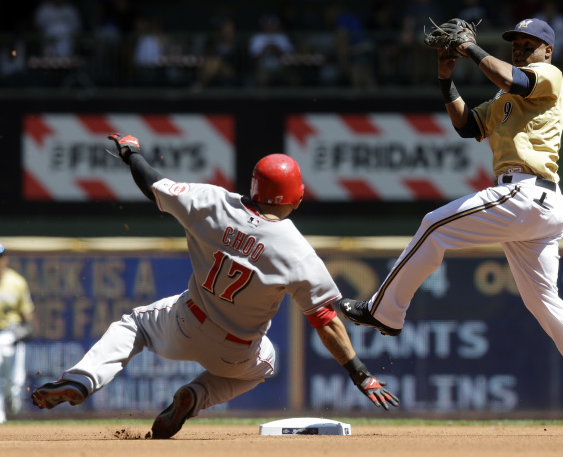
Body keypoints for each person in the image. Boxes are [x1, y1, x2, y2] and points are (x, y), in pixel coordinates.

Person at [340, 18, 563, 434]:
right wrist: (445, 76)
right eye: (517, 43)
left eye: (531, 44)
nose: (522, 48)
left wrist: (471, 49)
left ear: (547, 50)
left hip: (527, 192)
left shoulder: (547, 76)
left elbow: (513, 78)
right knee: (543, 302)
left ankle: (385, 311)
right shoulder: (504, 97)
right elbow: (466, 126)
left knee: (434, 225)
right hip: (535, 207)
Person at [31, 135, 399, 438]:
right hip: (237, 351)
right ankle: (196, 394)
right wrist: (359, 373)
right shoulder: (299, 253)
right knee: (267, 362)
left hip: (185, 322)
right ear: (296, 197)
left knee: (134, 325)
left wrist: (133, 153)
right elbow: (325, 320)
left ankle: (80, 381)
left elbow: (152, 183)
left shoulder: (212, 202)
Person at [0, 244, 35, 424]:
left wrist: (26, 330)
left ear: (4, 258)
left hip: (11, 334)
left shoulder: (17, 282)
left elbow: (28, 316)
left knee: (14, 383)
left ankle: (12, 399)